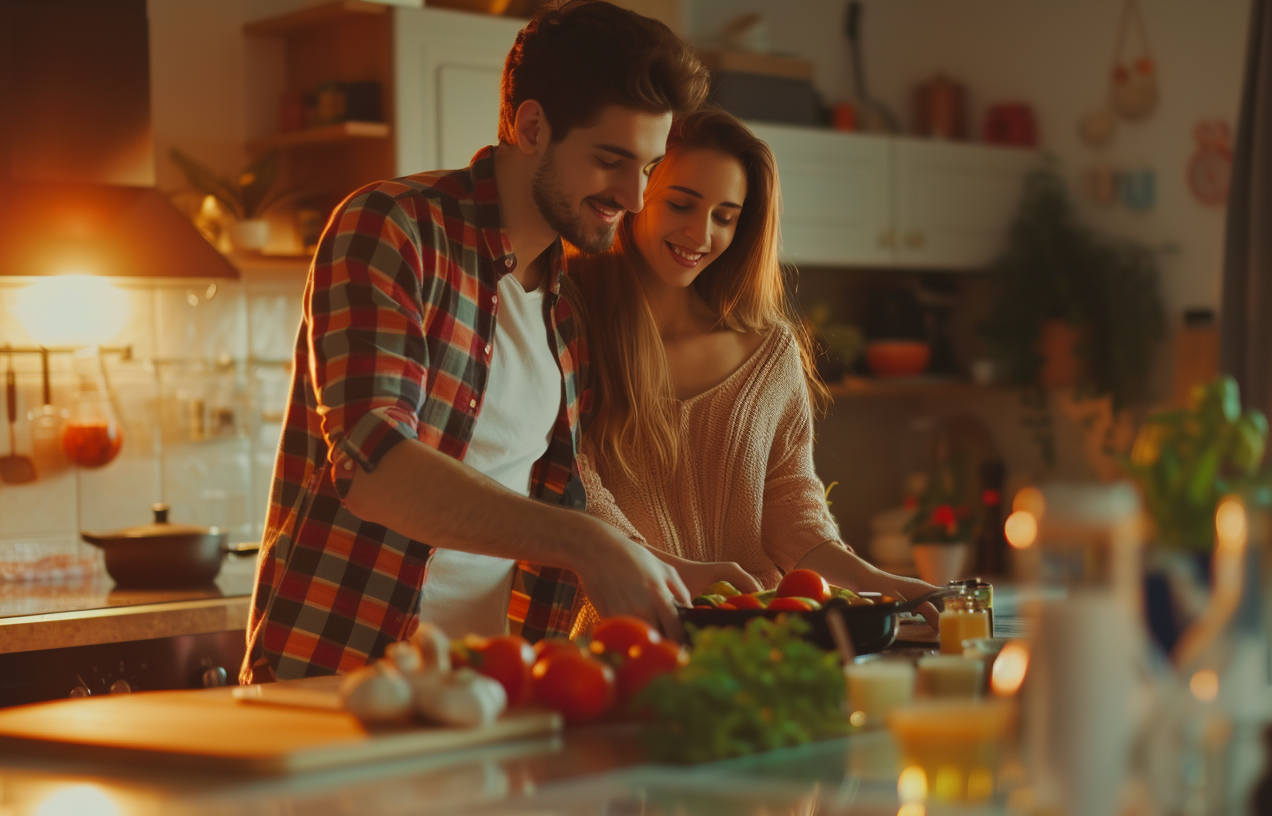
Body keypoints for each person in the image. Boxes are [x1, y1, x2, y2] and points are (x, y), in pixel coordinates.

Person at [242, 1, 746, 683]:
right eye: (610, 160)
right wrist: (589, 545)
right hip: (342, 683)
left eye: (648, 167)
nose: (633, 196)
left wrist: (662, 570)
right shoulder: (392, 228)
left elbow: (546, 510)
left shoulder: (568, 310)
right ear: (532, 125)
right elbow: (374, 465)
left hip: (485, 695)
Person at [567, 108, 943, 626]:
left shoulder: (769, 352)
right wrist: (676, 574)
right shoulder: (566, 321)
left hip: (754, 637)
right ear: (635, 194)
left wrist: (879, 583)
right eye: (681, 203)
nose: (701, 234)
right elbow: (568, 480)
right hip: (625, 639)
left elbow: (792, 513)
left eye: (725, 216)